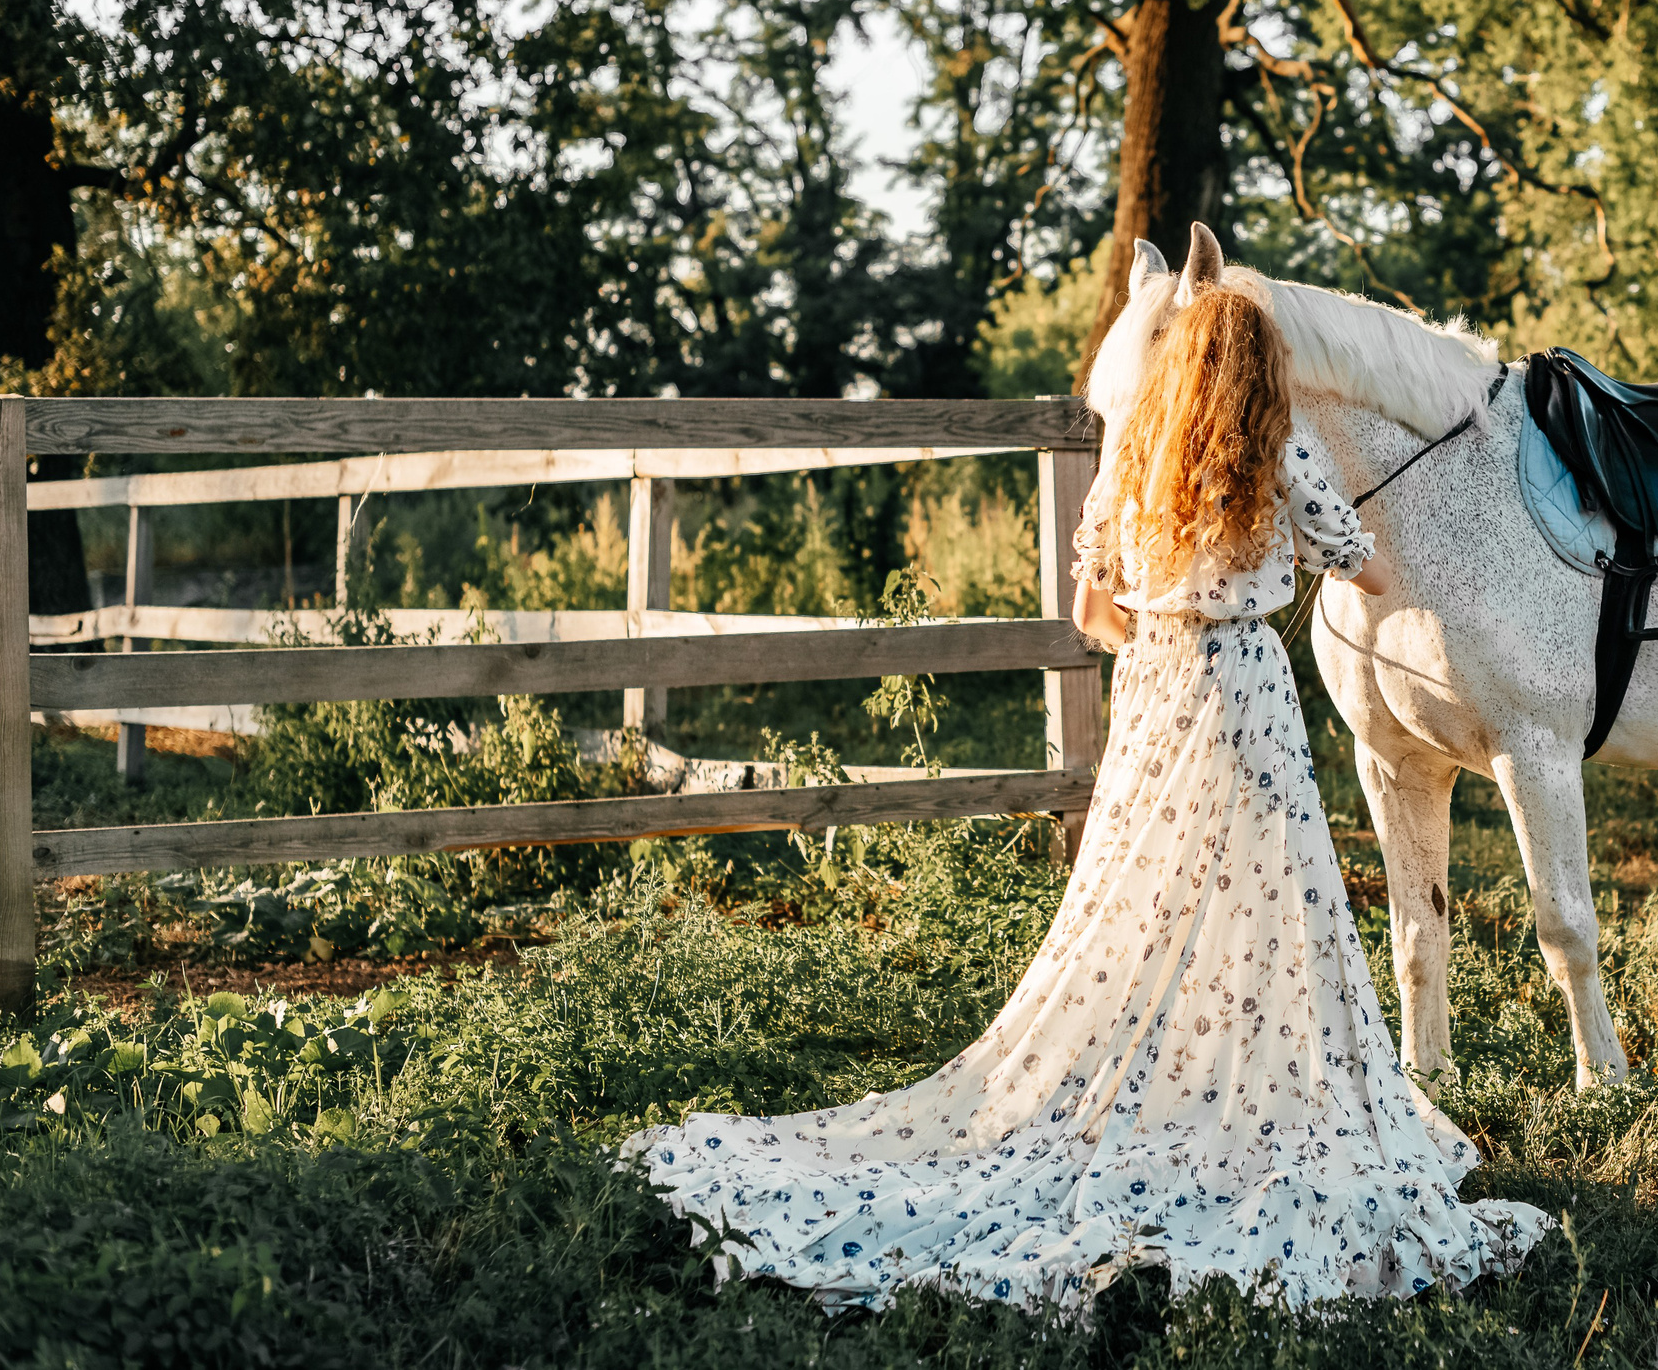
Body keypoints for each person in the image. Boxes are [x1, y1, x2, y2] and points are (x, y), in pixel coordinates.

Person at [622, 280, 1549, 1316]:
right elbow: (1366, 571)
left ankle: (1144, 1063)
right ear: (1264, 371)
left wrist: (1167, 598)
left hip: (1155, 691)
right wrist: (1278, 568)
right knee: (1269, 886)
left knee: (1140, 885)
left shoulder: (1136, 461)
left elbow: (1089, 610)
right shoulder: (1282, 454)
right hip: (1243, 683)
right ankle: (1242, 1074)